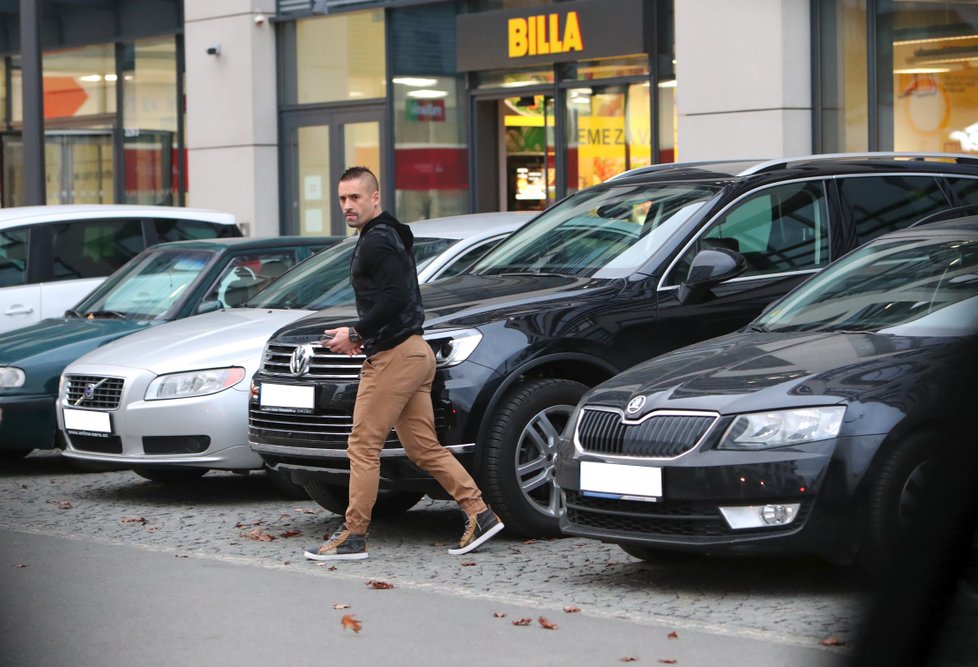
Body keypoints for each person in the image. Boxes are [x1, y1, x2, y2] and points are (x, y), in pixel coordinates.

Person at [304, 166, 504, 562]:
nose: (347, 206)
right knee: (423, 447)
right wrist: (366, 335)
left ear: (375, 198)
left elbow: (394, 298)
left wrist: (357, 334)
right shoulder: (389, 234)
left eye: (355, 198)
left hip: (397, 357)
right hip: (413, 352)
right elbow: (395, 300)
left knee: (362, 446)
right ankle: (479, 513)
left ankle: (354, 535)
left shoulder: (377, 241)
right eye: (342, 198)